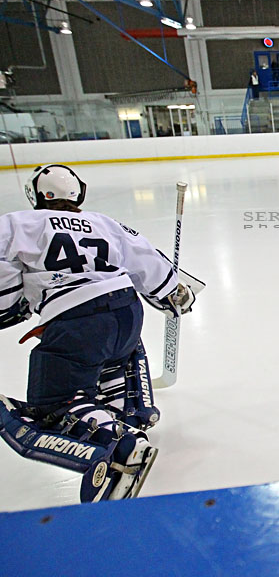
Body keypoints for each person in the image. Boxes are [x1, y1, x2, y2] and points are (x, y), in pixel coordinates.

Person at [0, 165, 198, 504]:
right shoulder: (104, 223)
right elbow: (146, 259)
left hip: (75, 320)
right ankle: (129, 410)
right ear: (79, 193)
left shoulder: (16, 223)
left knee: (53, 405)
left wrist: (9, 306)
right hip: (126, 312)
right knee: (115, 352)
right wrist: (171, 292)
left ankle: (120, 447)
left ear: (35, 194)